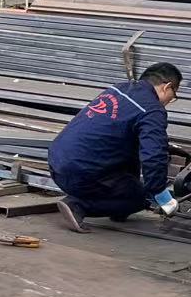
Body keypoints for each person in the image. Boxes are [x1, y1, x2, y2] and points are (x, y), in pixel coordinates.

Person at [48, 62, 183, 233]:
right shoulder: (152, 110)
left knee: (130, 161)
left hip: (57, 162)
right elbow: (154, 157)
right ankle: (78, 206)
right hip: (81, 173)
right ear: (167, 87)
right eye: (173, 95)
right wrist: (160, 195)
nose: (170, 100)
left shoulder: (118, 89)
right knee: (140, 198)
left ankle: (118, 210)